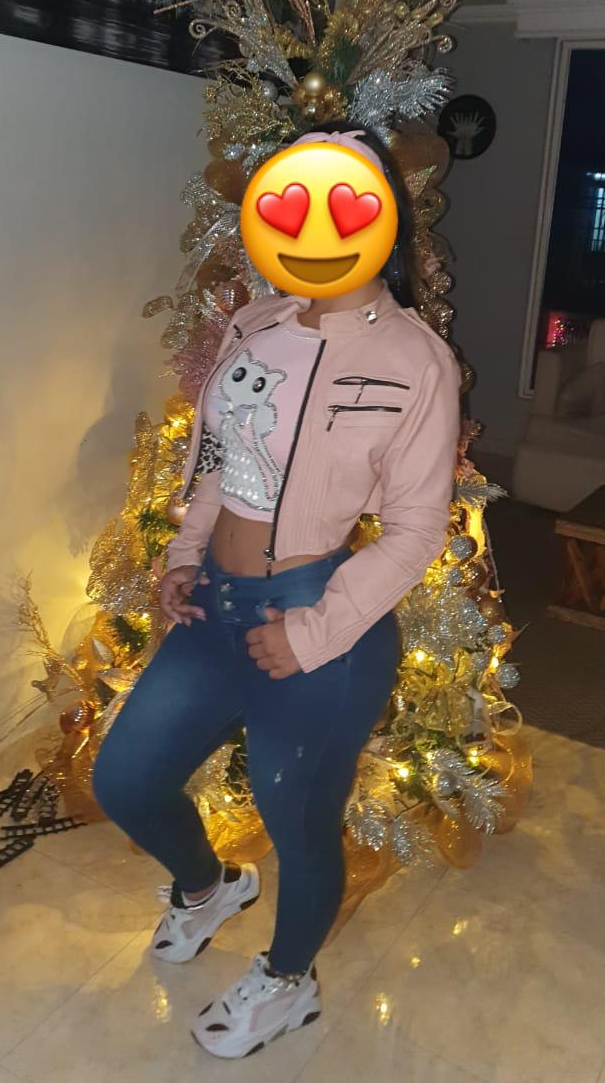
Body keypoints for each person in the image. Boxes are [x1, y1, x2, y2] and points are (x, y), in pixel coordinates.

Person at [92, 122, 461, 1059]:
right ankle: (207, 886)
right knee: (125, 778)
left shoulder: (415, 360)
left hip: (316, 620)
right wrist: (185, 552)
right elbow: (224, 457)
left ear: (383, 219)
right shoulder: (255, 321)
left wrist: (314, 631)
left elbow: (416, 529)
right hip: (215, 604)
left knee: (298, 821)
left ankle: (288, 982)